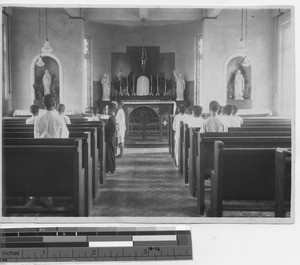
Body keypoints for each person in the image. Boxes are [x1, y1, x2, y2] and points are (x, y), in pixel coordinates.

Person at [27, 94, 69, 208]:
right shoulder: (59, 118)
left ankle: (40, 195)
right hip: (55, 151)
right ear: (54, 104)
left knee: (41, 171)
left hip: (39, 151)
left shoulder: (39, 118)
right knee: (53, 171)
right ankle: (47, 196)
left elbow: (35, 136)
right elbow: (65, 137)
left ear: (43, 104)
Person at [105, 102, 117, 175]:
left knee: (109, 155)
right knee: (111, 154)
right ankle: (111, 170)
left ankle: (110, 170)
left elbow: (107, 129)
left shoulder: (111, 118)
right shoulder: (112, 117)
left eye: (106, 109)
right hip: (111, 138)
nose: (106, 111)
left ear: (110, 110)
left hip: (109, 138)